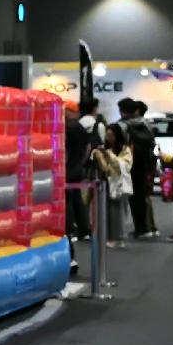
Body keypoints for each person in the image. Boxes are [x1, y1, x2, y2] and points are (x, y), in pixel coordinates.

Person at [124, 99, 158, 237]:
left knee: (134, 197)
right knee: (144, 196)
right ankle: (148, 227)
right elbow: (152, 143)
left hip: (129, 164)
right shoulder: (146, 125)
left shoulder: (124, 125)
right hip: (145, 163)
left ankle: (142, 227)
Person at [63, 96, 96, 242]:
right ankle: (84, 230)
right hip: (78, 167)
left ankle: (70, 230)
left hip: (68, 168)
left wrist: (64, 165)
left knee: (67, 199)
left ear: (69, 110)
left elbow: (64, 150)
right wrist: (81, 162)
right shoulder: (80, 126)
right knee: (78, 199)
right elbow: (87, 147)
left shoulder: (66, 127)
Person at [94, 126, 131, 248]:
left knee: (116, 211)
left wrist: (109, 155)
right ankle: (108, 236)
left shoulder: (125, 150)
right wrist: (100, 157)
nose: (108, 138)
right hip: (106, 182)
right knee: (105, 210)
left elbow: (123, 167)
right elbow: (105, 168)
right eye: (107, 135)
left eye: (111, 135)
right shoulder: (106, 149)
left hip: (118, 183)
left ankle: (117, 237)